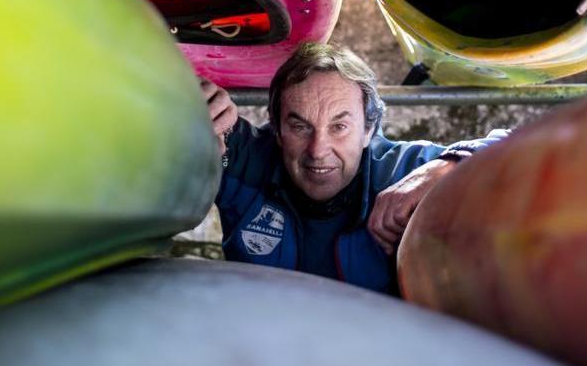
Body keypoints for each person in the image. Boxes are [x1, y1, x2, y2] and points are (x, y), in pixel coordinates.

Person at [200, 42, 506, 294]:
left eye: (339, 127)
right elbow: (165, 85)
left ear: (368, 130)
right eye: (300, 126)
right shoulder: (244, 159)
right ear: (277, 130)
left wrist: (444, 169)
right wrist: (201, 103)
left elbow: (524, 148)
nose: (318, 150)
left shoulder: (403, 172)